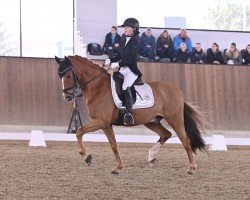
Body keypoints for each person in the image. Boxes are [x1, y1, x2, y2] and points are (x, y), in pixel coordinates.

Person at [104, 18, 142, 125]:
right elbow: (120, 55)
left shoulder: (136, 41)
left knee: (125, 86)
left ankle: (128, 113)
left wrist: (118, 64)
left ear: (134, 29)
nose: (125, 29)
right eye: (124, 27)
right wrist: (110, 59)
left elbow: (131, 60)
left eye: (127, 27)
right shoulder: (123, 39)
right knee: (113, 81)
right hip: (123, 69)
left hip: (131, 70)